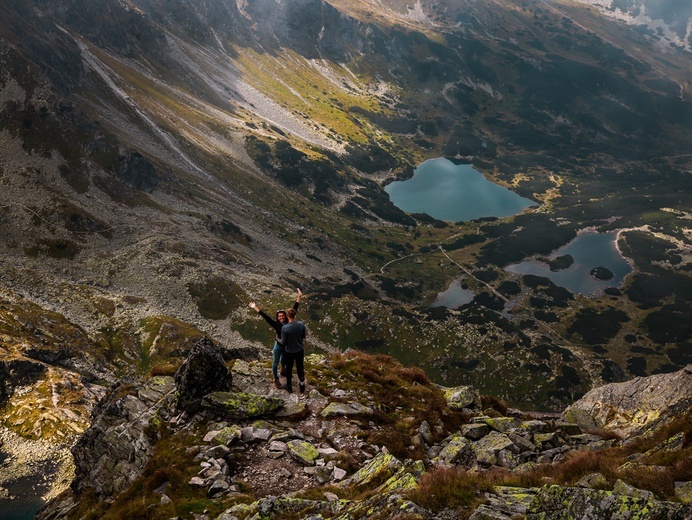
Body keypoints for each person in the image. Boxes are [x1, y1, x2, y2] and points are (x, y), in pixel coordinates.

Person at [249, 288, 302, 388]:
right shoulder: (275, 324)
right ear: (277, 318)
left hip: (286, 346)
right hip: (278, 346)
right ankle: (276, 379)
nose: (281, 318)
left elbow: (295, 308)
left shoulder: (289, 322)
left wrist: (299, 296)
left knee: (284, 360)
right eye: (279, 317)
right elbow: (265, 316)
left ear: (285, 316)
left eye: (282, 316)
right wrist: (255, 307)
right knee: (275, 363)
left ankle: (283, 371)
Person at [280, 307, 307, 394]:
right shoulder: (300, 324)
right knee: (300, 368)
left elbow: (283, 342)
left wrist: (277, 339)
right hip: (299, 350)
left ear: (287, 315)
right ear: (295, 315)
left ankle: (289, 386)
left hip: (289, 352)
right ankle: (302, 385)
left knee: (289, 369)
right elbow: (304, 336)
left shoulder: (285, 328)